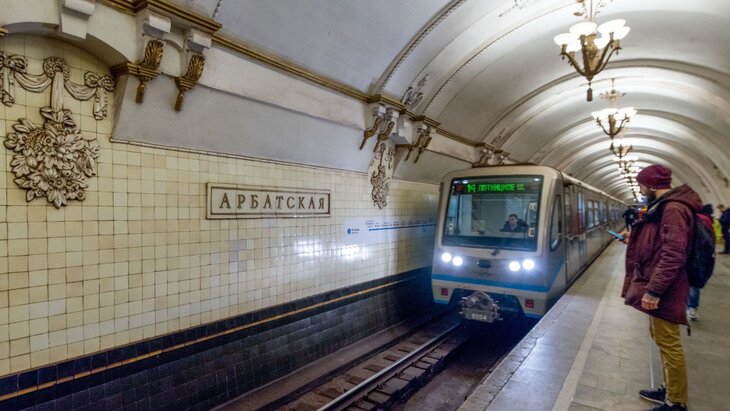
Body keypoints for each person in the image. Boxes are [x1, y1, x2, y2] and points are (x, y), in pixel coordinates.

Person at [619, 164, 699, 411]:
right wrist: (635, 238)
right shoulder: (666, 207)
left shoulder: (673, 209)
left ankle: (676, 402)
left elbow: (674, 253)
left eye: (643, 185)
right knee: (662, 340)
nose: (641, 189)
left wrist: (654, 291)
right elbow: (660, 243)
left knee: (669, 344)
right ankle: (668, 389)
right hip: (661, 284)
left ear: (652, 186)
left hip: (665, 289)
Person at [687, 204, 714, 321]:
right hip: (703, 256)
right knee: (694, 283)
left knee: (690, 283)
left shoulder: (697, 219)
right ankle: (692, 308)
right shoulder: (709, 221)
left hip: (693, 255)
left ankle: (689, 306)